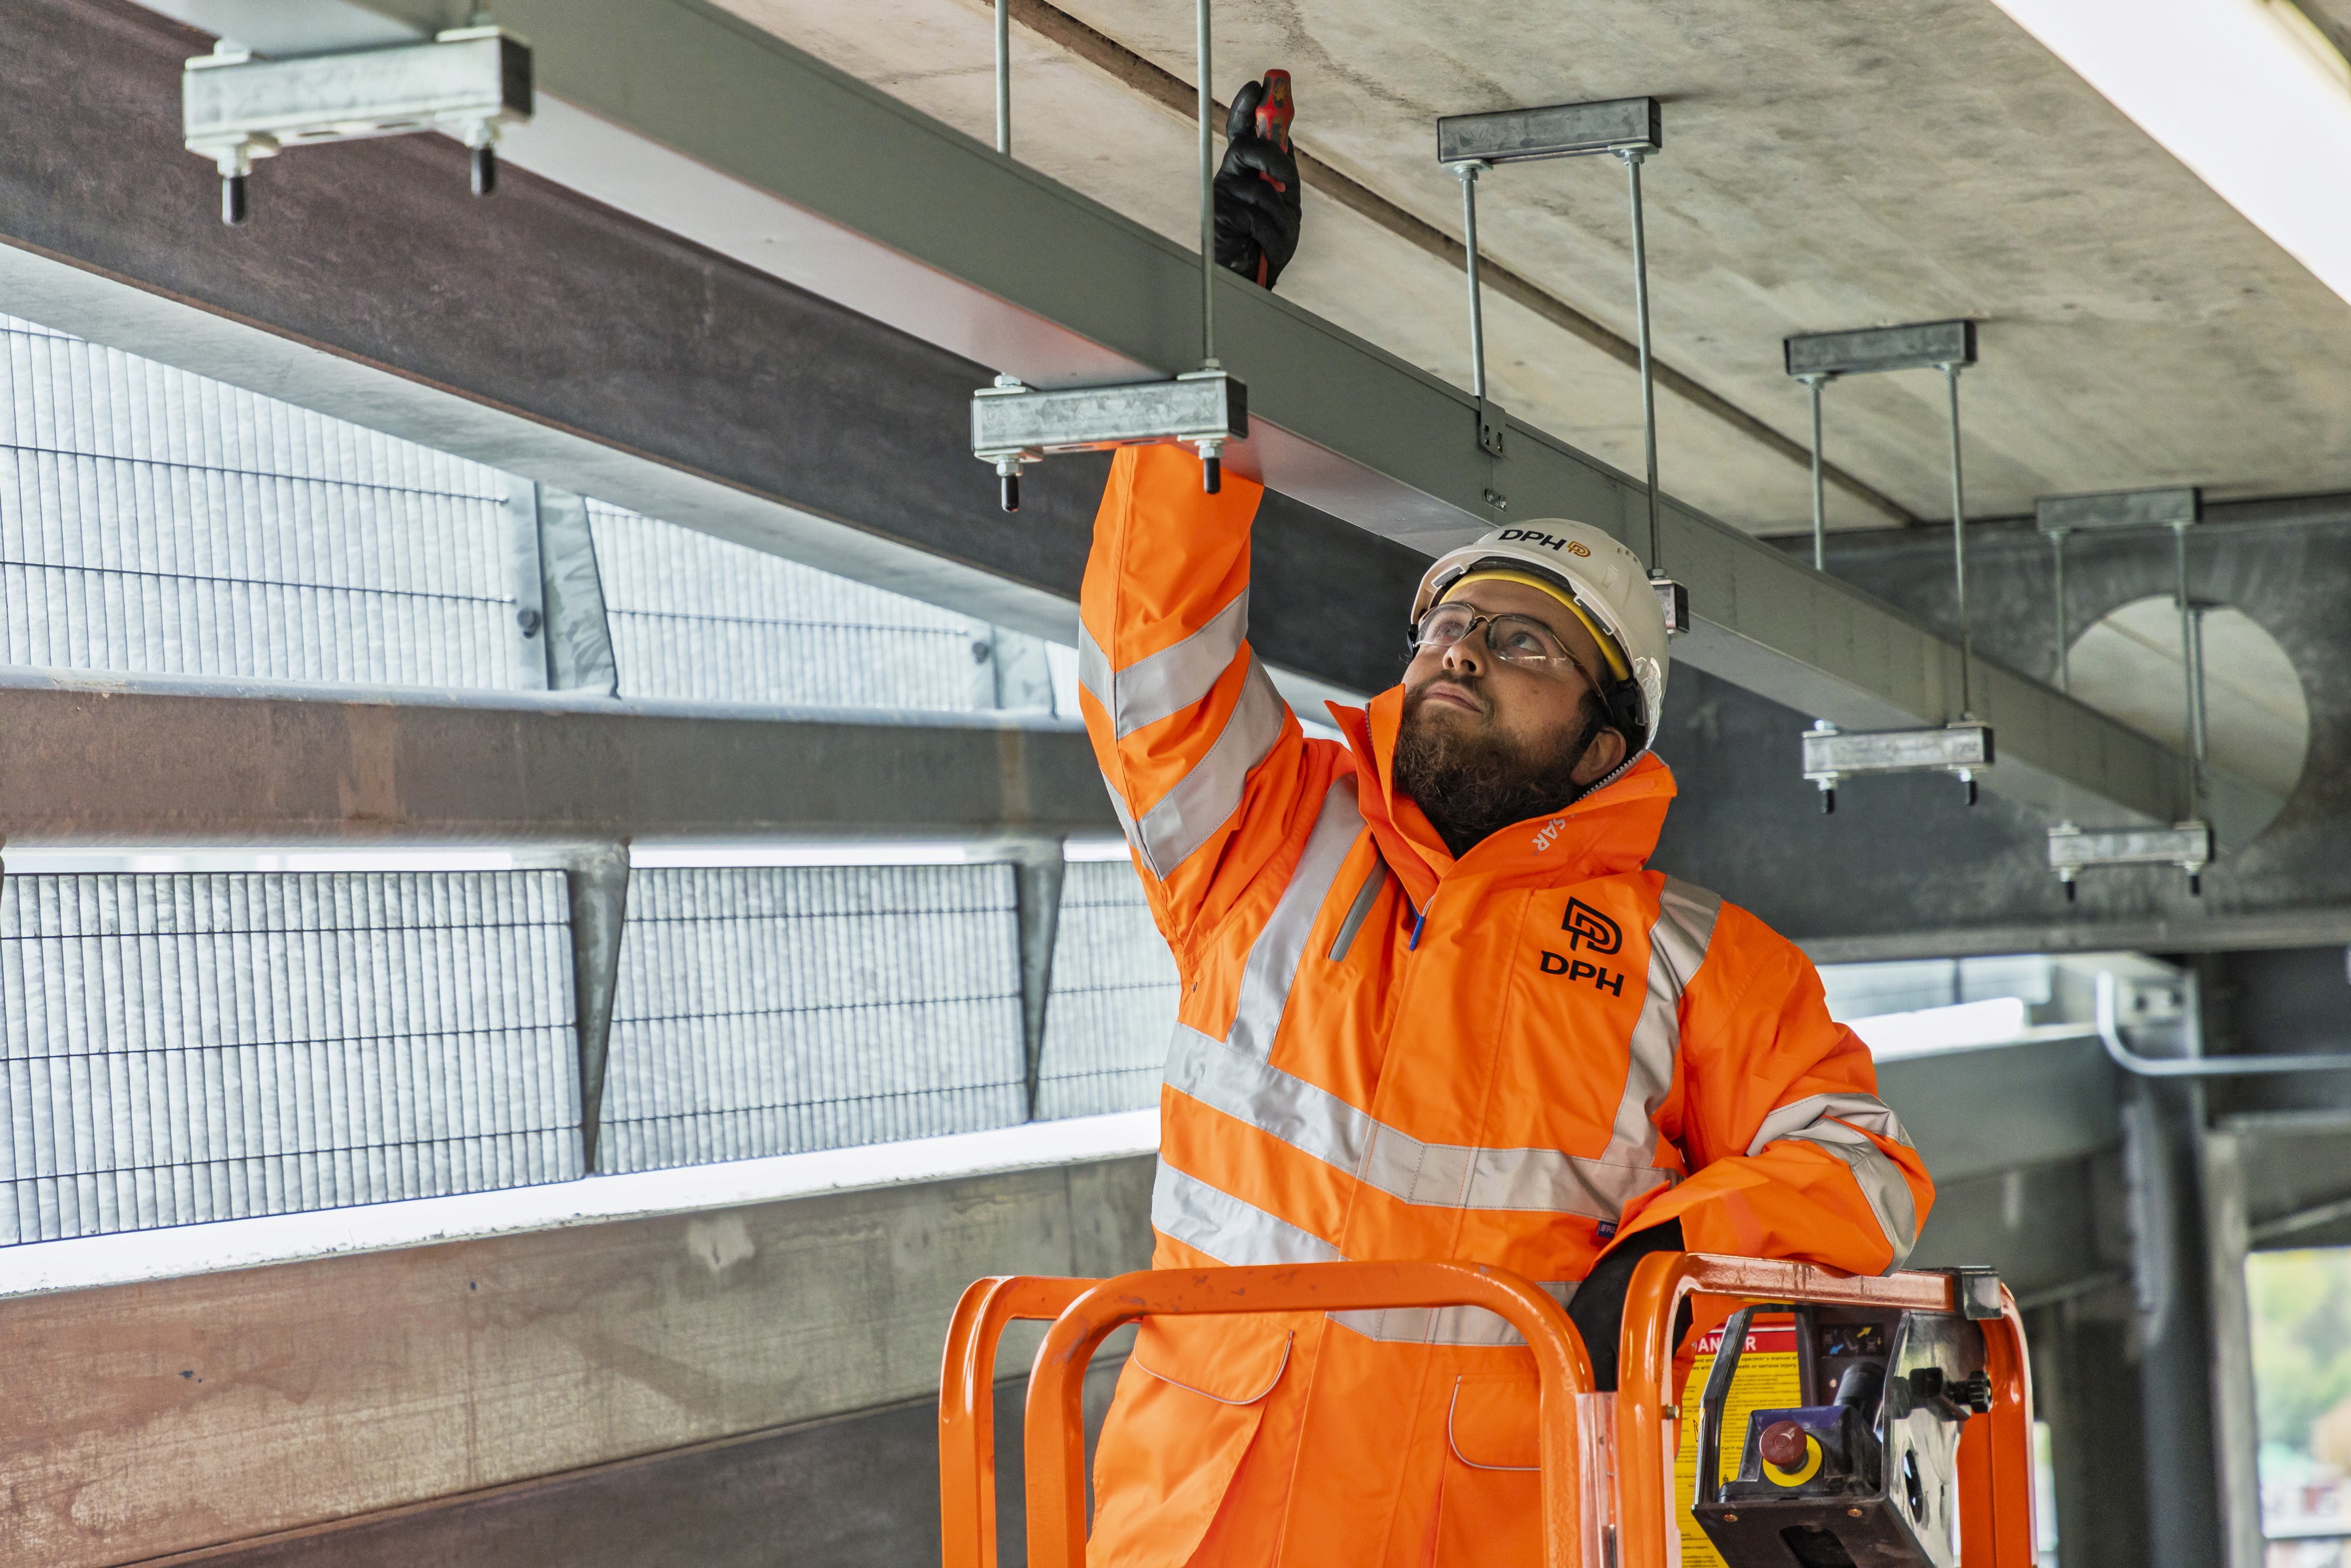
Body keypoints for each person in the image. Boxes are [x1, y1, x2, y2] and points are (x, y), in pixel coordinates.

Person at [1074, 72, 1934, 1568]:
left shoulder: (1694, 966)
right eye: (1447, 627)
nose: (1460, 651)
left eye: (1519, 641)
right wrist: (1226, 321)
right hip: (1201, 1530)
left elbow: (1862, 1164)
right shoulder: (1269, 839)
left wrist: (1665, 1261)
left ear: (1605, 737)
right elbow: (1149, 644)